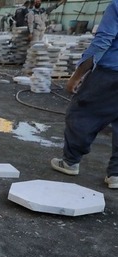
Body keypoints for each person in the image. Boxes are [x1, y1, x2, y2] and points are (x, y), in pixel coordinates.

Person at [50, 0, 118, 189]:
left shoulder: (117, 5)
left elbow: (103, 40)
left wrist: (78, 75)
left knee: (81, 114)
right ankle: (116, 174)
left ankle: (70, 162)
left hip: (111, 74)